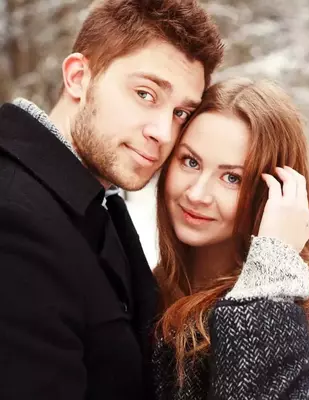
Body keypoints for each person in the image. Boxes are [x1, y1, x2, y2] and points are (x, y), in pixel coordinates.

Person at [0, 0, 223, 399]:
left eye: (181, 114)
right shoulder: (15, 218)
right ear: (78, 77)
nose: (163, 133)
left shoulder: (91, 204)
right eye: (146, 93)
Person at [152, 78, 309, 399]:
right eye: (190, 162)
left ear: (274, 193)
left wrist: (270, 283)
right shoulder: (147, 287)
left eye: (232, 177)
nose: (197, 194)